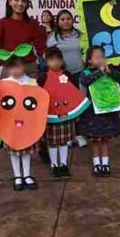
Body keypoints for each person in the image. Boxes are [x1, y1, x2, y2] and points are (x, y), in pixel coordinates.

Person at [78, 45, 120, 177]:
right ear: (89, 60)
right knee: (95, 139)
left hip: (107, 111)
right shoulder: (86, 72)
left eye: (103, 57)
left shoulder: (109, 70)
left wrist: (109, 71)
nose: (101, 59)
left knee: (105, 138)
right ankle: (96, 163)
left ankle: (105, 163)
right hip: (92, 113)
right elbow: (85, 81)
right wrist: (100, 72)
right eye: (97, 57)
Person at [1, 53, 39, 191]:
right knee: (13, 151)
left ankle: (27, 175)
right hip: (11, 125)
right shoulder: (4, 84)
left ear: (24, 66)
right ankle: (17, 176)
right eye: (12, 67)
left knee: (26, 150)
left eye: (19, 66)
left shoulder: (32, 83)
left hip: (27, 124)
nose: (15, 70)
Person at [37, 47, 76, 180]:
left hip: (65, 114)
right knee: (52, 142)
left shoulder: (68, 75)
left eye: (58, 59)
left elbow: (74, 94)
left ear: (62, 60)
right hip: (50, 115)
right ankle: (54, 165)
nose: (55, 62)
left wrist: (75, 112)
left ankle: (63, 164)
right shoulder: (42, 78)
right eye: (51, 60)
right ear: (46, 62)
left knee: (64, 141)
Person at [46, 10, 84, 78]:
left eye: (68, 19)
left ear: (73, 20)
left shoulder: (80, 34)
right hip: (61, 74)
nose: (66, 21)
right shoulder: (53, 37)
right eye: (62, 19)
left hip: (80, 72)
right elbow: (48, 57)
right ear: (58, 22)